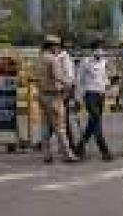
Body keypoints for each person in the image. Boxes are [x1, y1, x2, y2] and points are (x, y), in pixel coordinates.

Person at [37, 35, 78, 164]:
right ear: (53, 46)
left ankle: (46, 154)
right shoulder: (52, 59)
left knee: (45, 125)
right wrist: (69, 84)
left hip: (42, 95)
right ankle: (67, 154)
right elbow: (58, 76)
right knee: (60, 126)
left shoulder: (39, 59)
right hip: (54, 96)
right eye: (57, 46)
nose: (58, 49)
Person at [75, 40, 113, 161]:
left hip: (100, 95)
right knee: (96, 121)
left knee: (92, 123)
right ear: (93, 50)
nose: (100, 51)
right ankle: (105, 151)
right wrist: (78, 97)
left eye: (102, 49)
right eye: (97, 49)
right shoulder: (85, 62)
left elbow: (105, 78)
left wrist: (109, 84)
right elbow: (79, 80)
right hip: (89, 94)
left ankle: (80, 146)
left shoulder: (104, 62)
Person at [57, 38, 77, 150]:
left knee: (62, 118)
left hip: (67, 89)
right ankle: (69, 143)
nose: (70, 48)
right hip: (64, 90)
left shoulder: (67, 58)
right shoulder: (62, 58)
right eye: (68, 46)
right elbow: (66, 77)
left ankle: (67, 142)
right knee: (63, 119)